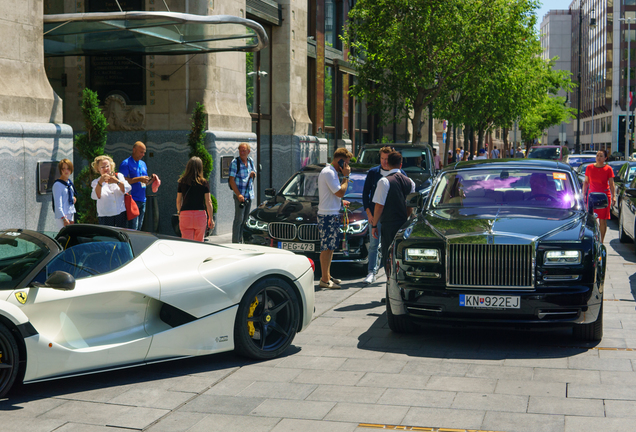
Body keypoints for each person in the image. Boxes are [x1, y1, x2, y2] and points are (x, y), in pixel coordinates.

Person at [362, 146, 407, 284]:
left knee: (392, 246)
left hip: (391, 217)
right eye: (382, 158)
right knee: (374, 244)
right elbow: (366, 195)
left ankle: (393, 274)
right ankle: (371, 272)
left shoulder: (400, 174)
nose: (384, 162)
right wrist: (370, 214)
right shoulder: (374, 173)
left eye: (387, 159)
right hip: (376, 215)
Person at [371, 151, 415, 272]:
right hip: (403, 224)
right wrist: (405, 219)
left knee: (388, 254)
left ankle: (390, 278)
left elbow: (379, 206)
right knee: (400, 254)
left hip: (388, 224)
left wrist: (374, 225)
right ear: (401, 165)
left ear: (388, 164)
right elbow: (410, 206)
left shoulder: (384, 181)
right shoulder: (410, 182)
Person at [317, 147, 352, 289]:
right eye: (346, 163)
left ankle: (327, 275)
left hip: (331, 213)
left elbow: (332, 194)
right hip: (327, 215)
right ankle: (324, 280)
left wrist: (340, 203)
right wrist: (346, 176)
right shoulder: (329, 172)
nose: (347, 166)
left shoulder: (330, 172)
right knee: (326, 248)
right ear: (340, 161)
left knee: (330, 247)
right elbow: (340, 192)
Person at [119, 141, 157, 230]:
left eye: (144, 152)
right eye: (141, 152)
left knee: (138, 228)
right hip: (132, 199)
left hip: (142, 200)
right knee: (133, 228)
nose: (143, 154)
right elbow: (121, 180)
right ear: (134, 150)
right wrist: (139, 179)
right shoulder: (126, 163)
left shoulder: (143, 164)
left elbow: (144, 182)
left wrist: (151, 179)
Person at [176, 156, 215, 242]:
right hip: (200, 215)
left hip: (185, 214)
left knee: (186, 242)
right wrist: (210, 218)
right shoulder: (204, 182)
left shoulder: (182, 181)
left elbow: (178, 201)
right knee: (199, 242)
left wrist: (180, 212)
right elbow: (208, 202)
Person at [583, 150, 615, 243]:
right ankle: (593, 239)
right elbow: (586, 182)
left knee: (603, 220)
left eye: (601, 156)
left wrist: (613, 197)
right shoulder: (589, 167)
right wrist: (583, 194)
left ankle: (601, 241)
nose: (598, 157)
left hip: (604, 196)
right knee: (591, 219)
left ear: (605, 158)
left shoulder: (608, 169)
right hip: (592, 196)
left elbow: (612, 184)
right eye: (597, 155)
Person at [91, 155, 131, 227]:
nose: (105, 169)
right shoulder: (96, 182)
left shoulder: (119, 176)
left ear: (111, 166)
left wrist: (117, 181)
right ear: (98, 169)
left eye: (107, 166)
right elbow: (96, 196)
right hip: (105, 216)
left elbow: (127, 188)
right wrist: (100, 182)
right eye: (102, 167)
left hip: (120, 214)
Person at [229, 142, 256, 243]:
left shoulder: (250, 161)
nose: (242, 152)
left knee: (245, 221)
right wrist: (239, 194)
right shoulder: (235, 163)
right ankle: (235, 243)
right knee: (238, 220)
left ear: (248, 151)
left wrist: (253, 174)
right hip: (239, 196)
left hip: (248, 195)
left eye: (244, 150)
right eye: (240, 150)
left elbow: (254, 172)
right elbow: (231, 180)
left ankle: (242, 241)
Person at [52, 158, 77, 229]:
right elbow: (57, 204)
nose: (66, 171)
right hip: (62, 216)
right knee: (64, 237)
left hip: (70, 213)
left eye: (68, 168)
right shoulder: (58, 184)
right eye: (63, 168)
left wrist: (73, 198)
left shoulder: (69, 183)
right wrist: (64, 218)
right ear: (60, 170)